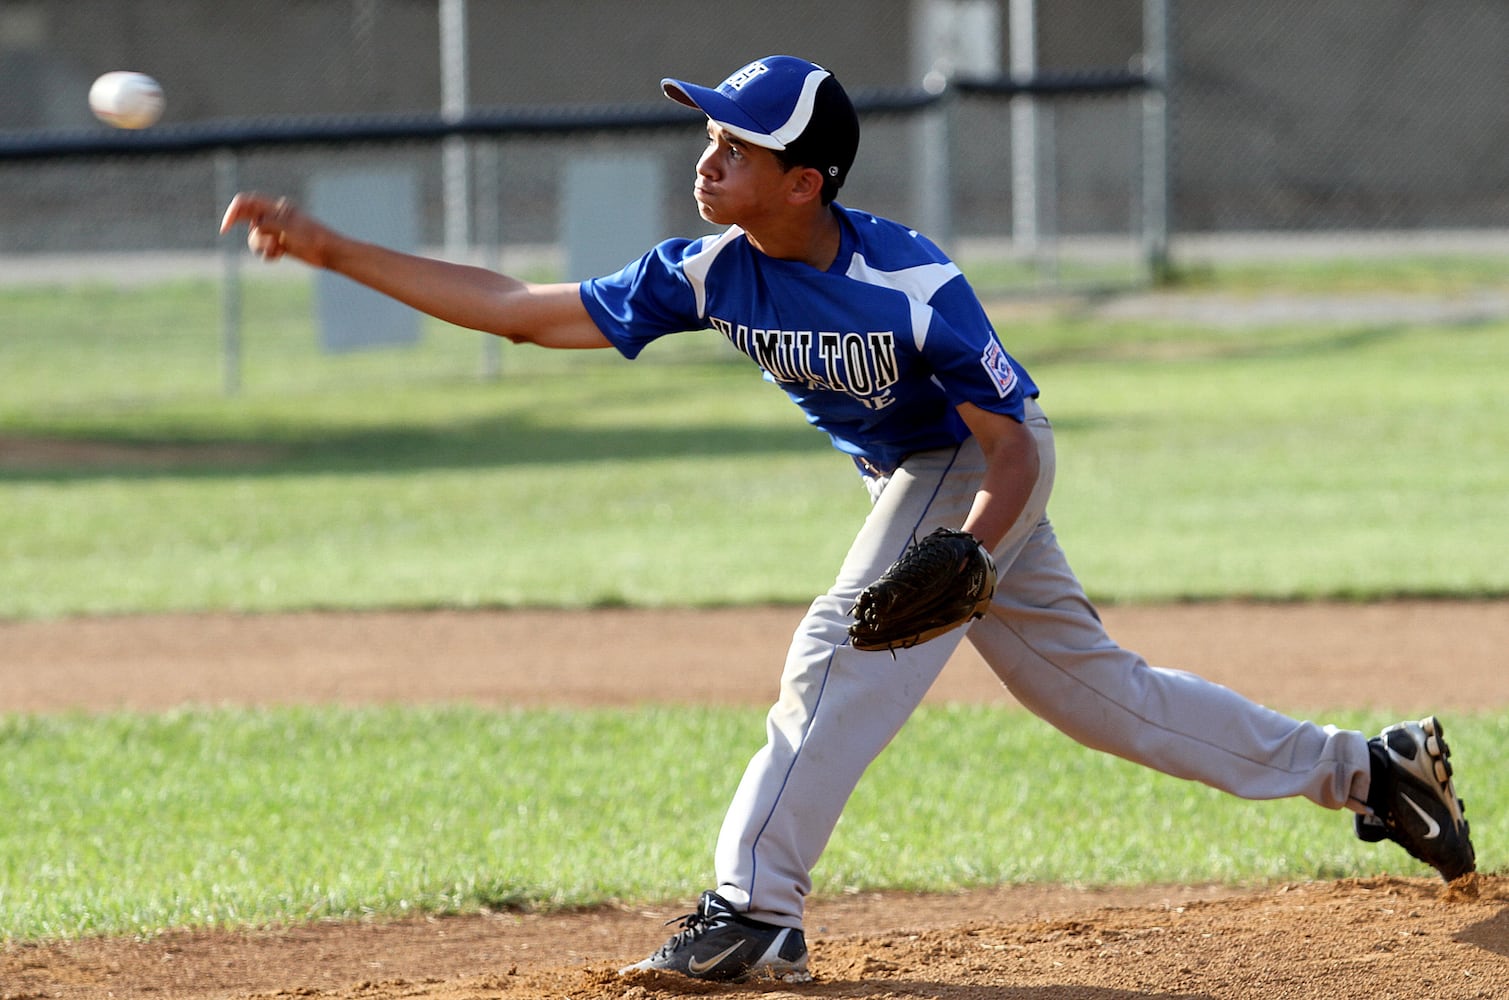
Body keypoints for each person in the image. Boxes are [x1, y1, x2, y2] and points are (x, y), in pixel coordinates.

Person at [221, 55, 1475, 984]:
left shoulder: (910, 283)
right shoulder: (710, 268)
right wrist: (332, 250)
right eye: (709, 132)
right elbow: (516, 308)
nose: (710, 155)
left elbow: (1009, 443)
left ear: (806, 178)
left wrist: (972, 553)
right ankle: (1372, 767)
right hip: (916, 478)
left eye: (740, 144)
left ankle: (753, 907)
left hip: (974, 467)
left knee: (835, 648)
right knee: (1101, 696)